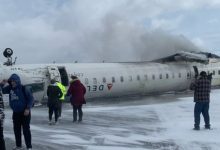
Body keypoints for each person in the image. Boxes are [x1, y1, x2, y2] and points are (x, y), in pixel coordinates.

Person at [0, 74, 34, 150]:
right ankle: (18, 145)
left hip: (25, 112)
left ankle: (29, 147)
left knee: (26, 130)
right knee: (16, 129)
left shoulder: (24, 88)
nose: (12, 83)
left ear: (17, 81)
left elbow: (31, 99)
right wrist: (2, 84)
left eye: (14, 81)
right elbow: (1, 90)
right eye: (11, 81)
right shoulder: (10, 88)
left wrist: (28, 108)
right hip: (16, 113)